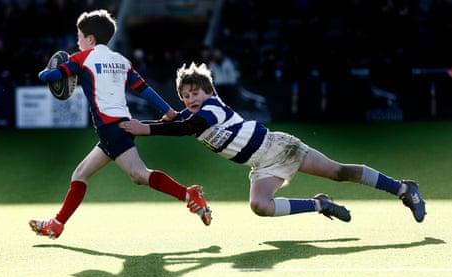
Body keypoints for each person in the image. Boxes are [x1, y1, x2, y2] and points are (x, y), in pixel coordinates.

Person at [119, 62, 427, 223]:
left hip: (279, 148)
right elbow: (174, 123)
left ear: (208, 92)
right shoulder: (192, 113)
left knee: (339, 171)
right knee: (259, 206)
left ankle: (403, 189)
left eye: (195, 93)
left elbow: (185, 129)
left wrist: (142, 130)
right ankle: (320, 204)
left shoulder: (210, 109)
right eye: (185, 96)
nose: (190, 99)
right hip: (260, 163)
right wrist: (138, 126)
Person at [29, 10, 212, 240]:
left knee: (138, 174)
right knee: (80, 174)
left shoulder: (81, 58)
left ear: (91, 39)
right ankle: (57, 224)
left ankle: (189, 194)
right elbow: (145, 90)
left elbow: (50, 76)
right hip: (119, 126)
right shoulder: (121, 61)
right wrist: (169, 111)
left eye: (79, 37)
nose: (78, 42)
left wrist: (44, 72)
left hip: (111, 129)